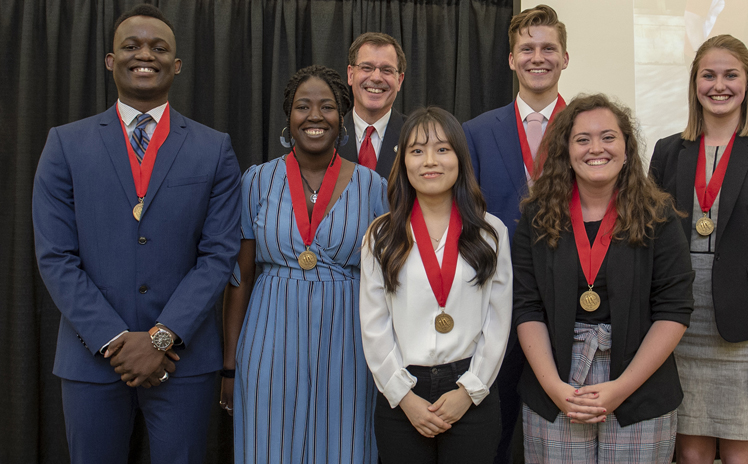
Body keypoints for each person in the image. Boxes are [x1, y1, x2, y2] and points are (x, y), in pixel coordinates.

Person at [31, 5, 241, 463]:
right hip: (92, 358)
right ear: (110, 60)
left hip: (182, 363)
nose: (144, 54)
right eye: (131, 45)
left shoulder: (214, 148)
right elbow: (55, 256)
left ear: (176, 64)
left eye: (158, 47)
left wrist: (161, 338)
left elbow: (218, 255)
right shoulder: (65, 144)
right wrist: (114, 339)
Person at [513, 94, 695, 463]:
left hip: (639, 386)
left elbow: (674, 311)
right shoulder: (535, 217)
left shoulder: (658, 215)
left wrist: (620, 389)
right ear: (566, 151)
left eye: (608, 137)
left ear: (627, 149)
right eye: (583, 139)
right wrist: (554, 388)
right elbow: (526, 307)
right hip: (556, 384)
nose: (596, 148)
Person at [221, 65, 387, 464]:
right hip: (268, 336)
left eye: (327, 106)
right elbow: (239, 279)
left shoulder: (374, 187)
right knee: (267, 446)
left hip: (349, 339)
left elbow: (387, 282)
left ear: (342, 117)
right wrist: (229, 366)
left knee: (345, 446)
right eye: (303, 107)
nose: (315, 116)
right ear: (288, 117)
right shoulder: (256, 181)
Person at [648, 35, 748, 464]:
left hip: (744, 334)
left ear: (747, 82)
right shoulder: (667, 151)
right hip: (676, 329)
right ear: (694, 83)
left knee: (740, 455)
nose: (720, 85)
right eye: (708, 75)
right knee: (690, 454)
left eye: (731, 75)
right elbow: (652, 246)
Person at [360, 106, 512, 463]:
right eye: (417, 150)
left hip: (471, 389)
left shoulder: (491, 233)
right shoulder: (381, 235)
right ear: (404, 162)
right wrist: (403, 396)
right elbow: (374, 324)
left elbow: (498, 320)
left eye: (442, 149)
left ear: (460, 158)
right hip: (402, 393)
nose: (430, 160)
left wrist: (469, 391)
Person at [461, 6, 569, 461]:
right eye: (527, 48)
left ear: (565, 58)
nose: (537, 57)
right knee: (496, 438)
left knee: (565, 437)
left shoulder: (591, 130)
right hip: (496, 310)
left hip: (572, 307)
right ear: (511, 59)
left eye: (548, 48)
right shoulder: (476, 132)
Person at [339, 32, 407, 179]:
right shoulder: (330, 137)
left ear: (399, 81)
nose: (376, 77)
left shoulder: (414, 136)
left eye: (387, 70)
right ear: (351, 75)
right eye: (367, 68)